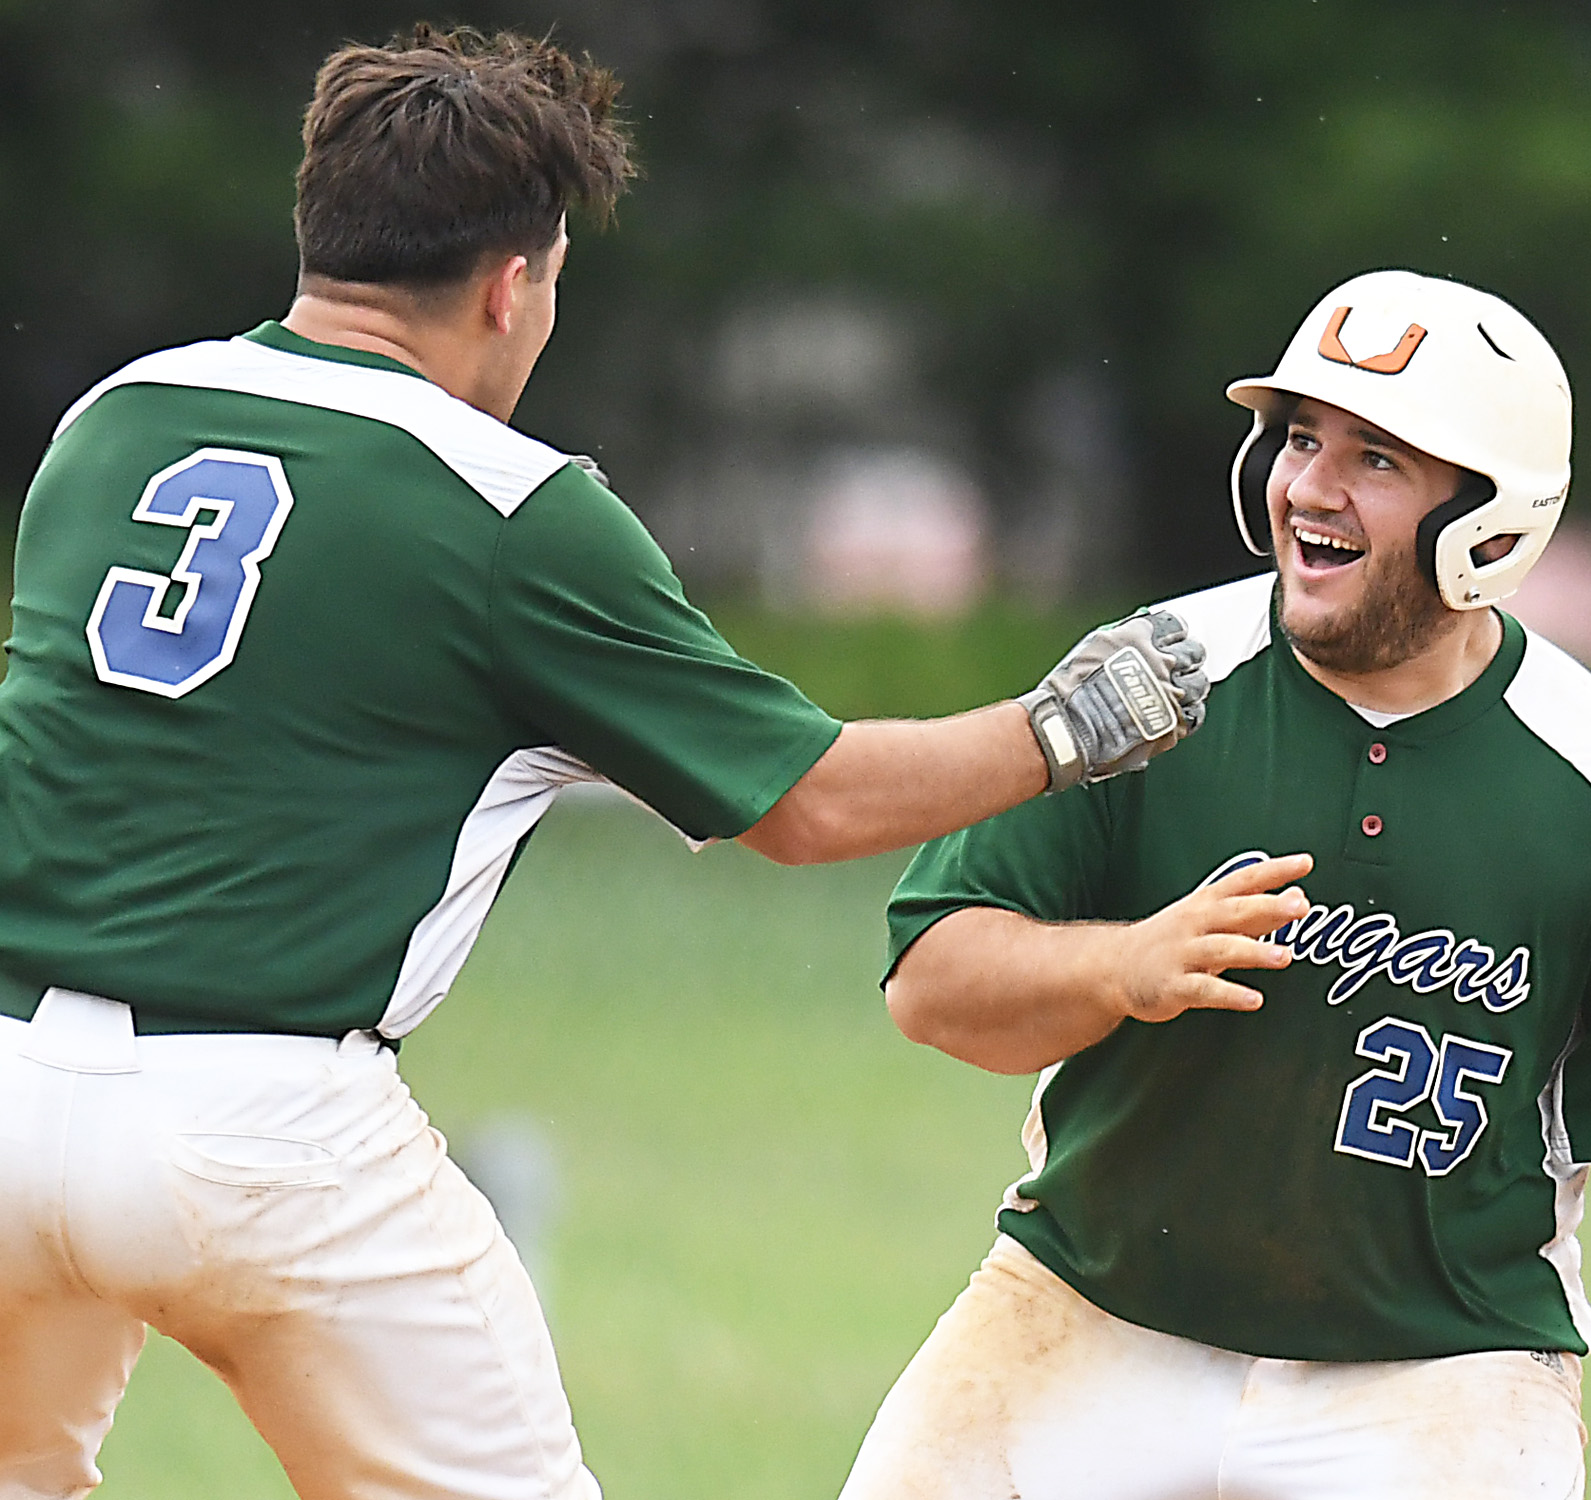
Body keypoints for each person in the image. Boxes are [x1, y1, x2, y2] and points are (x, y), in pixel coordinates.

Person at [0, 26, 1206, 1500]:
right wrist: (1067, 729)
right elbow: (807, 803)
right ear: (513, 282)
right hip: (264, 1131)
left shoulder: (110, 420)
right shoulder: (511, 509)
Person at [841, 269, 1591, 1499]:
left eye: (1377, 458)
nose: (1309, 488)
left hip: (1443, 1372)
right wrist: (1120, 967)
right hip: (1095, 1311)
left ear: (1490, 519)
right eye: (1299, 440)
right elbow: (931, 979)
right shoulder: (1153, 688)